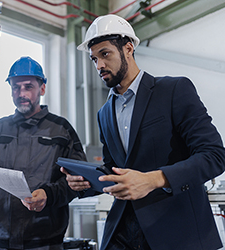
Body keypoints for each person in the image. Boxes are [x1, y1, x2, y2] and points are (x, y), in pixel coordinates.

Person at [61, 14, 225, 250]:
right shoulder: (104, 113)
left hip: (175, 230)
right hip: (123, 231)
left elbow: (214, 156)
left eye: (105, 54)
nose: (99, 66)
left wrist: (152, 179)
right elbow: (114, 168)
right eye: (93, 59)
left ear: (128, 48)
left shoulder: (173, 90)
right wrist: (86, 182)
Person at [0, 56, 87, 250]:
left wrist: (49, 195)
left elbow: (79, 181)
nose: (21, 93)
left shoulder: (61, 130)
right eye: (15, 87)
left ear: (42, 88)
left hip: (44, 241)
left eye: (28, 87)